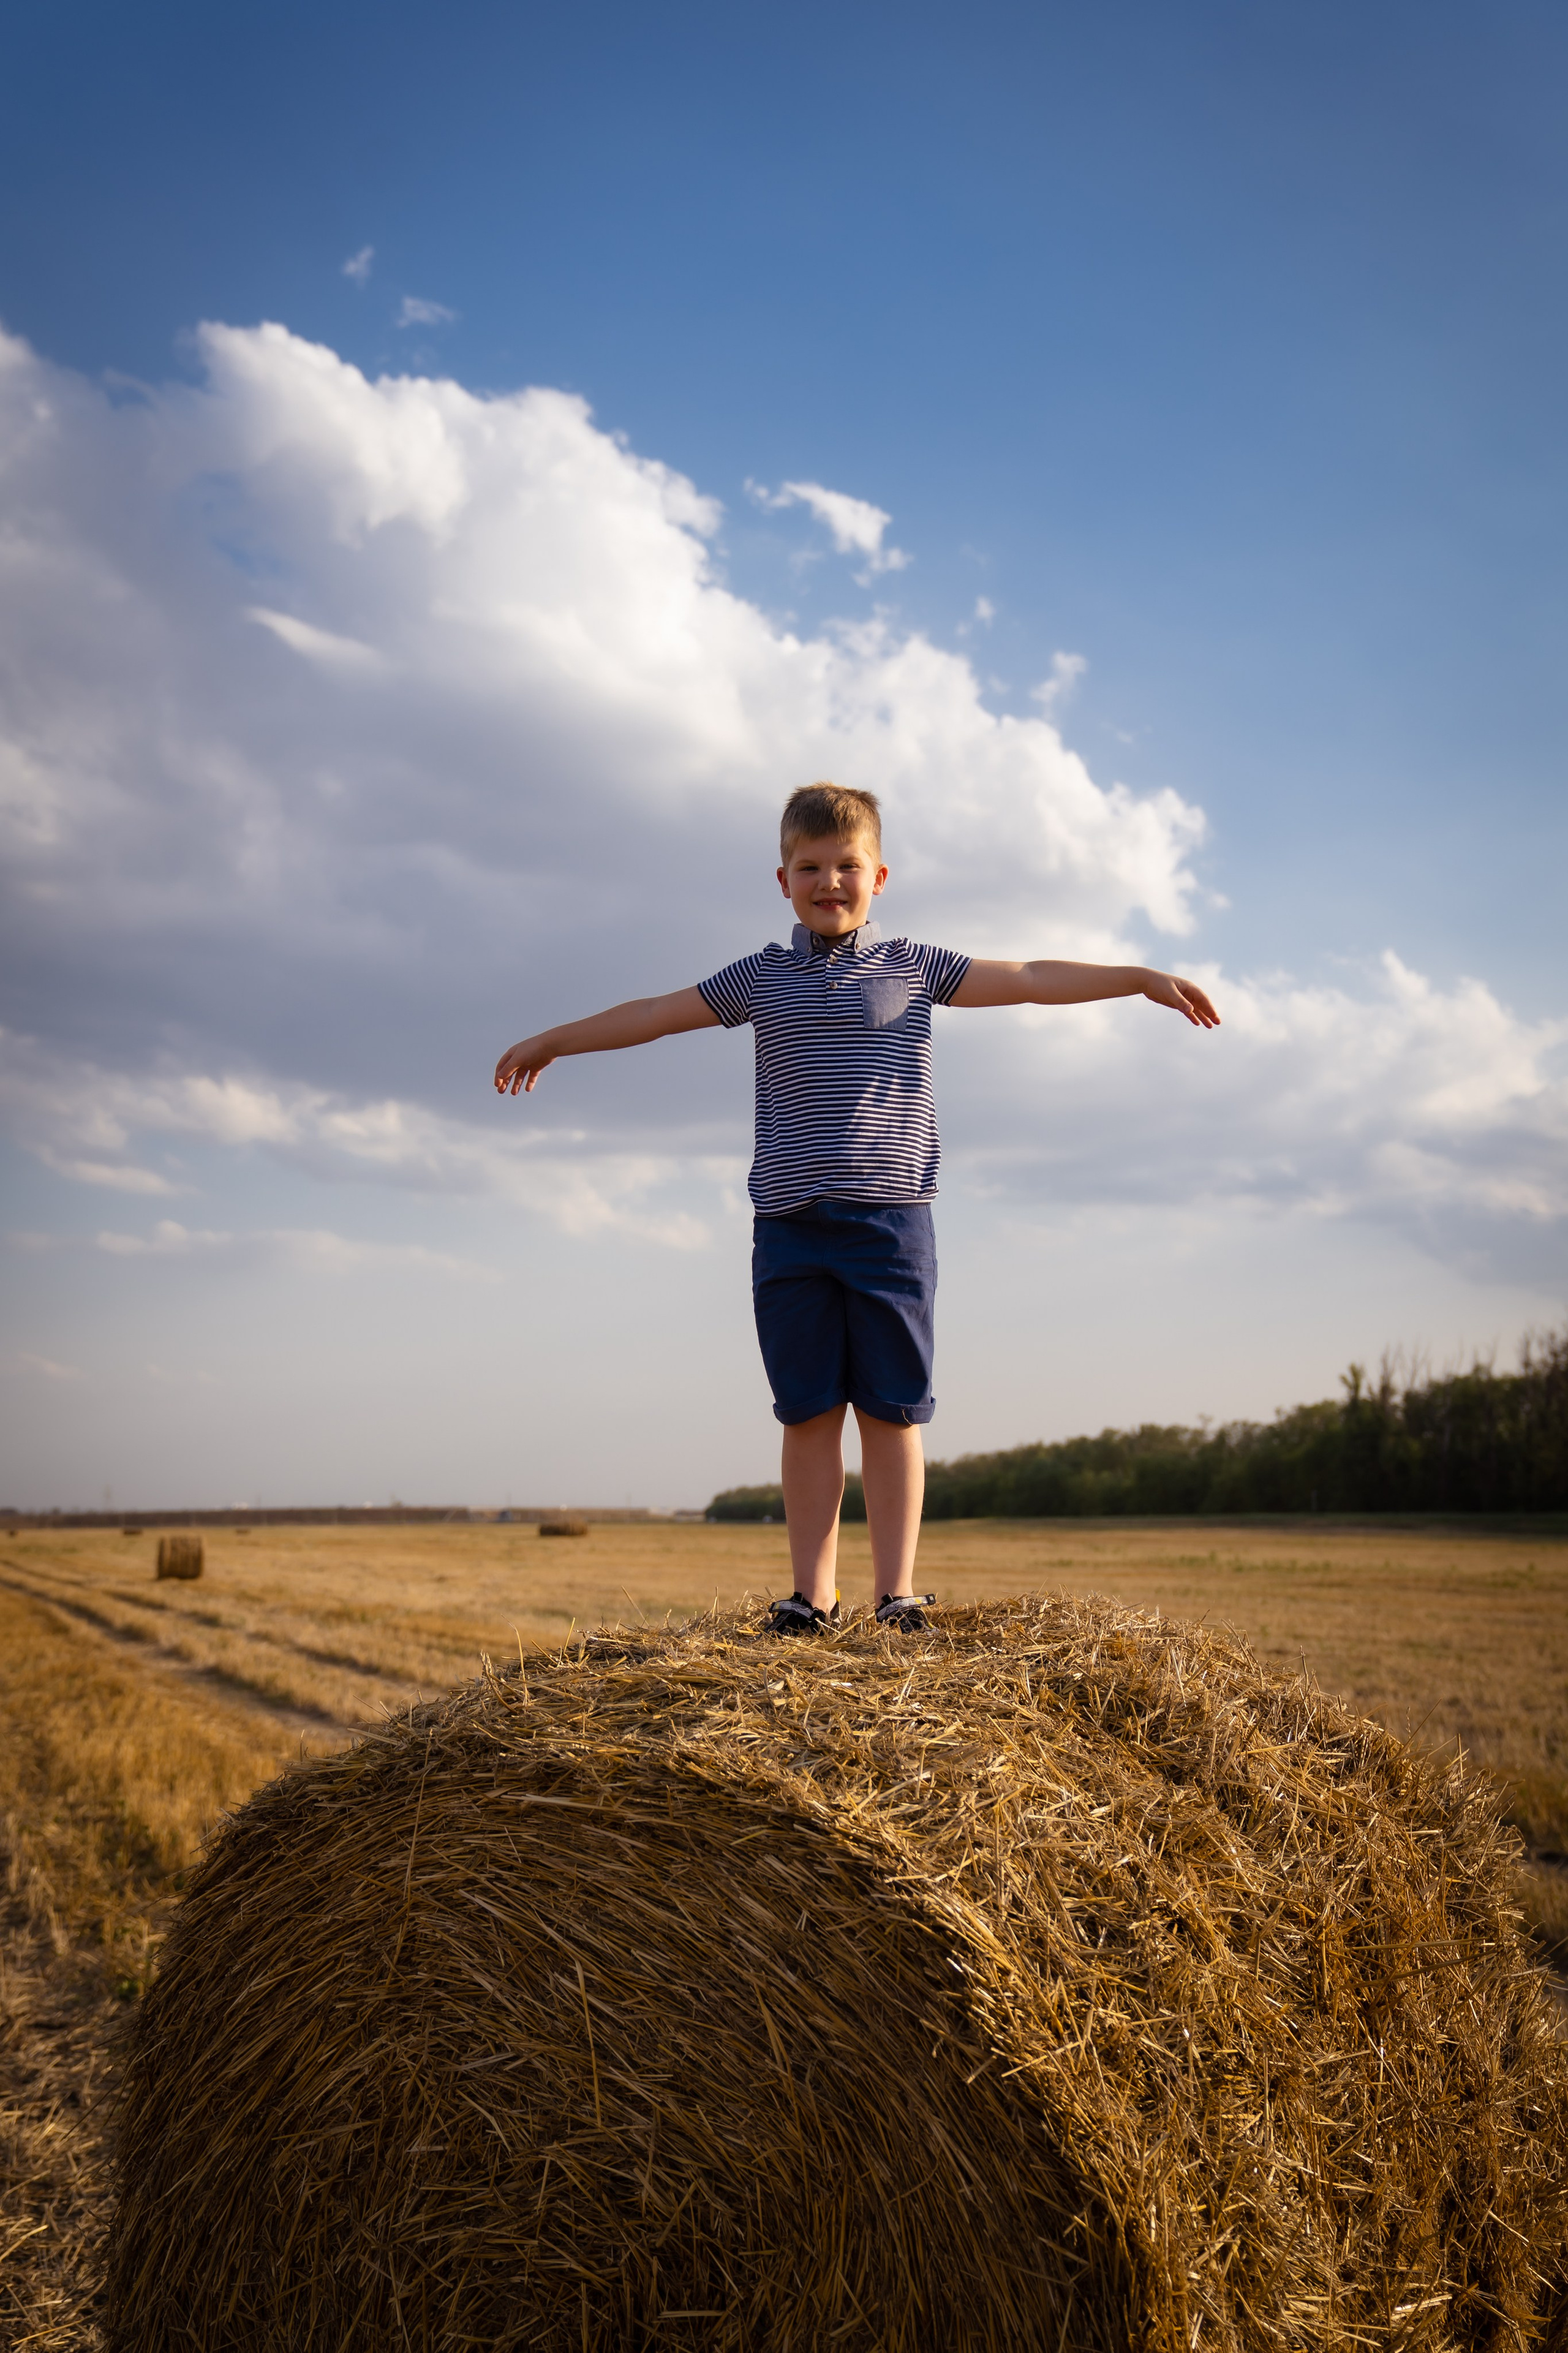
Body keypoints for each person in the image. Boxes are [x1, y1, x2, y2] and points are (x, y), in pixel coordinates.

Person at [494, 783, 1219, 1636]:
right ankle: (812, 1597)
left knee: (892, 1411)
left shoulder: (916, 966)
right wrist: (553, 1039)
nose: (829, 880)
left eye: (847, 865)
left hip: (891, 1226)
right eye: (810, 867)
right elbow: (656, 1014)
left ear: (880, 875)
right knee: (807, 1414)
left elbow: (1027, 978)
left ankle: (898, 1594)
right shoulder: (759, 978)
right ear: (782, 879)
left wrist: (1139, 979)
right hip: (791, 1227)